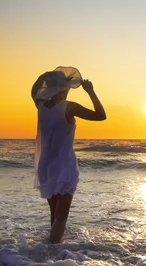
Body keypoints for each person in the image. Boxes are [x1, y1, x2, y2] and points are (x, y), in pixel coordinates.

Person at [31, 67, 106, 243]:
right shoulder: (69, 107)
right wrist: (91, 92)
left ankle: (50, 256)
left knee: (54, 215)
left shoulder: (40, 106)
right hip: (64, 166)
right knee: (61, 217)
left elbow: (34, 90)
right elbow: (101, 116)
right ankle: (52, 254)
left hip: (45, 167)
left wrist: (45, 77)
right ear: (65, 87)